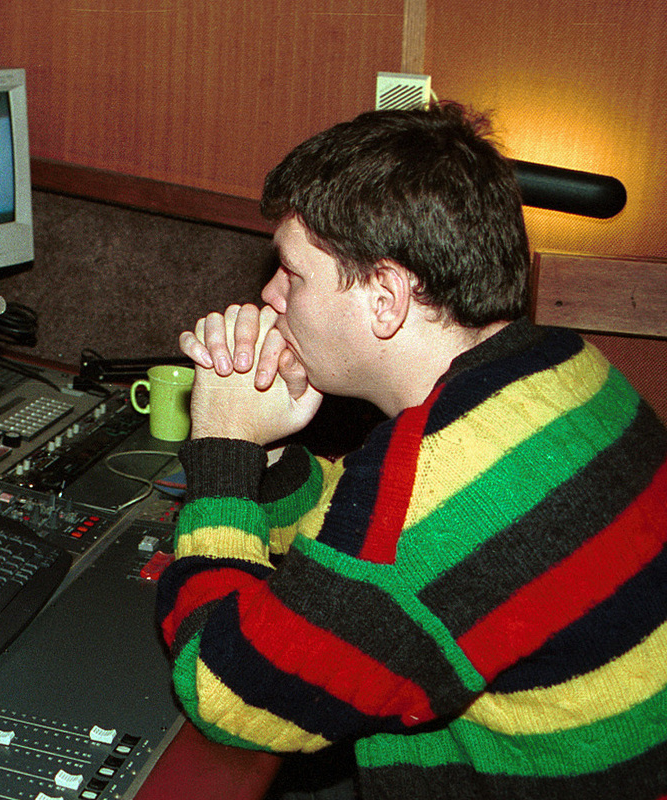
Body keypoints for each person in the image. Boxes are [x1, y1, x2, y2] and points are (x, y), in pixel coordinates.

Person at [156, 101, 667, 799]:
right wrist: (265, 456)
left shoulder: (425, 495)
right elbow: (360, 532)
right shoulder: (561, 365)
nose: (269, 295)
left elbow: (228, 692)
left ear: (386, 297)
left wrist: (222, 449)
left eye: (293, 274)